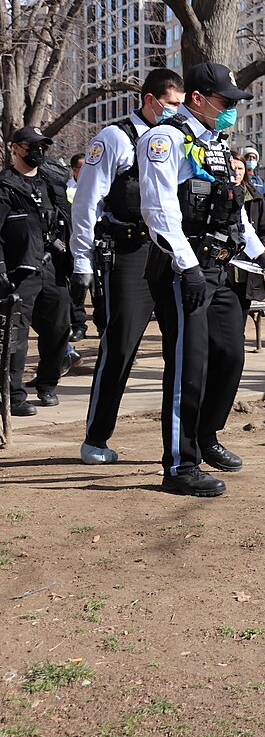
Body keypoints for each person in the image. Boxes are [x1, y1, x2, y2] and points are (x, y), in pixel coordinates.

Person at [138, 61, 265, 497]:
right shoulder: (165, 140)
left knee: (231, 355)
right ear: (197, 99)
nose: (230, 110)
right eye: (225, 102)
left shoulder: (215, 144)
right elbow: (158, 210)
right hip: (184, 269)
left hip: (218, 268)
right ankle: (179, 465)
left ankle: (206, 435)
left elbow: (232, 208)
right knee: (188, 367)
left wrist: (260, 254)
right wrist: (189, 266)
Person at [71, 67, 185, 463]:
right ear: (150, 100)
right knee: (120, 347)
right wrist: (81, 257)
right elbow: (87, 201)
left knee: (184, 349)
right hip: (129, 252)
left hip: (170, 252)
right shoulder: (115, 138)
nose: (178, 112)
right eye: (172, 104)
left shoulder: (177, 139)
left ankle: (185, 444)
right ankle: (96, 438)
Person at [0, 126, 73, 415]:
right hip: (20, 270)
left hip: (54, 266)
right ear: (15, 147)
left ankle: (47, 384)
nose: (38, 151)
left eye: (42, 145)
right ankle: (14, 395)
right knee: (15, 334)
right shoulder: (5, 185)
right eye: (31, 145)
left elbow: (67, 221)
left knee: (58, 327)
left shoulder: (51, 183)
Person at [226, 152, 265, 313]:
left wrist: (260, 254)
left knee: (239, 324)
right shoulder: (219, 195)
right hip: (223, 272)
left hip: (247, 272)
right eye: (233, 168)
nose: (237, 172)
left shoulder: (256, 198)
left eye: (240, 168)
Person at [65, 153, 90, 342]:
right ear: (74, 170)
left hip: (96, 241)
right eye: (81, 167)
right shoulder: (67, 190)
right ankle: (79, 326)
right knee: (78, 290)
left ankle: (103, 325)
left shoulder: (95, 185)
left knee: (99, 292)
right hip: (74, 242)